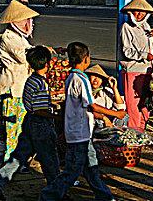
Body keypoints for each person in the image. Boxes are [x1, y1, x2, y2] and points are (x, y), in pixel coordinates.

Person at [39, 42, 126, 201]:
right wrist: (116, 113)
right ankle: (48, 195)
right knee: (73, 172)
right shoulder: (81, 79)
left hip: (78, 132)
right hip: (80, 134)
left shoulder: (70, 77)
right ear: (86, 59)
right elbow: (92, 105)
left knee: (91, 169)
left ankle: (105, 197)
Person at [0, 46, 60, 201]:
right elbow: (39, 110)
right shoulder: (41, 83)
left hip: (29, 122)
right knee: (49, 159)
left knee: (19, 156)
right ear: (47, 64)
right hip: (40, 125)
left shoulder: (30, 80)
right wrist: (55, 116)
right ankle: (57, 190)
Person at [0, 0, 63, 163]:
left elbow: (30, 51)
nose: (28, 23)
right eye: (24, 20)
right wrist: (44, 51)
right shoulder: (8, 37)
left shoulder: (19, 38)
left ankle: (18, 161)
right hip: (12, 90)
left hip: (22, 89)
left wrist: (49, 49)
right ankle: (9, 162)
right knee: (12, 129)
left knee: (22, 129)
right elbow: (24, 55)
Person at [118, 0, 153, 129]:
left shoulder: (147, 27)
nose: (139, 14)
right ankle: (134, 133)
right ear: (131, 12)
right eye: (136, 11)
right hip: (132, 70)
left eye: (142, 12)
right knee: (133, 105)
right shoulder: (126, 27)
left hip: (147, 71)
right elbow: (127, 51)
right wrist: (144, 56)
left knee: (145, 103)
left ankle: (142, 130)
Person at [85, 64, 127, 130]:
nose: (96, 79)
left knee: (124, 116)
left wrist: (114, 89)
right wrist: (104, 118)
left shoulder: (106, 91)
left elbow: (121, 107)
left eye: (99, 77)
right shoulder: (85, 91)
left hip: (109, 122)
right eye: (94, 76)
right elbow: (90, 110)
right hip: (95, 123)